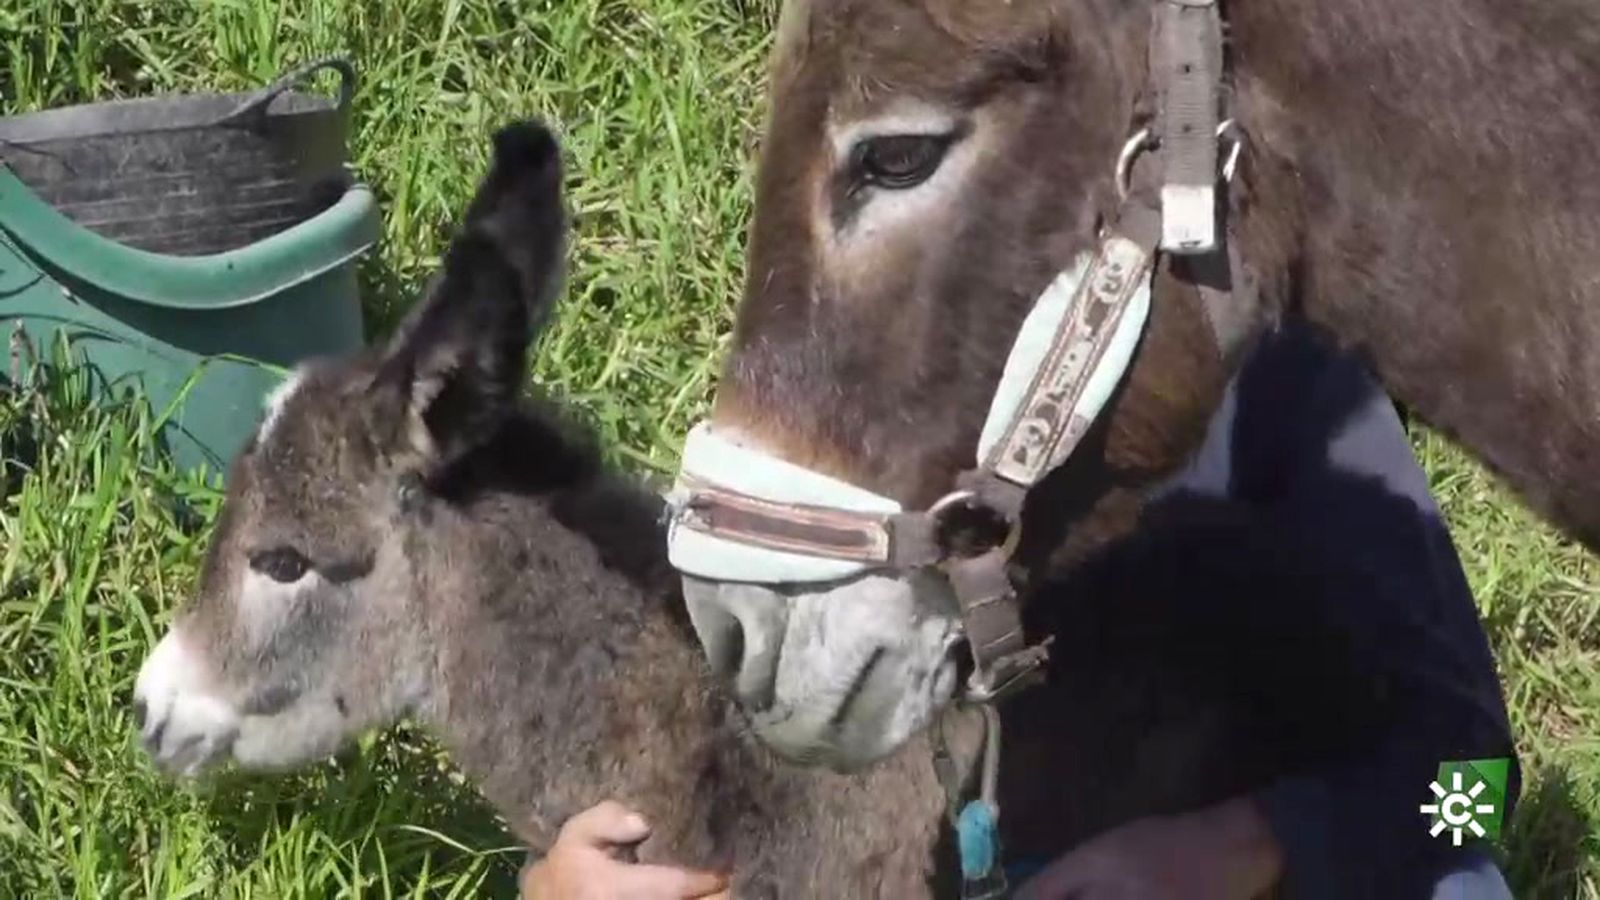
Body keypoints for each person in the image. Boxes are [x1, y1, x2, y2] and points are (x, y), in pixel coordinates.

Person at [520, 321, 1521, 899]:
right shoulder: (849, 376)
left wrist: (1245, 844)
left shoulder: (1277, 378)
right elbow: (726, 733)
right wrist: (561, 884)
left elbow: (1479, 781)